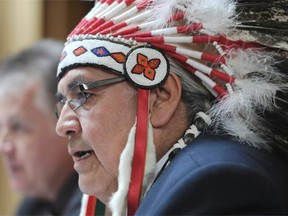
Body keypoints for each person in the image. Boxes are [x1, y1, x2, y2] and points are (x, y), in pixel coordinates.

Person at [55, 0, 288, 215]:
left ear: (160, 96)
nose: (62, 126)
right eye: (63, 101)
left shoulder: (211, 187)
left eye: (83, 93)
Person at [0, 39, 83, 216]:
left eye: (17, 127)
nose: (4, 147)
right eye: (1, 127)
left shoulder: (95, 204)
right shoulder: (33, 206)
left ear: (66, 123)